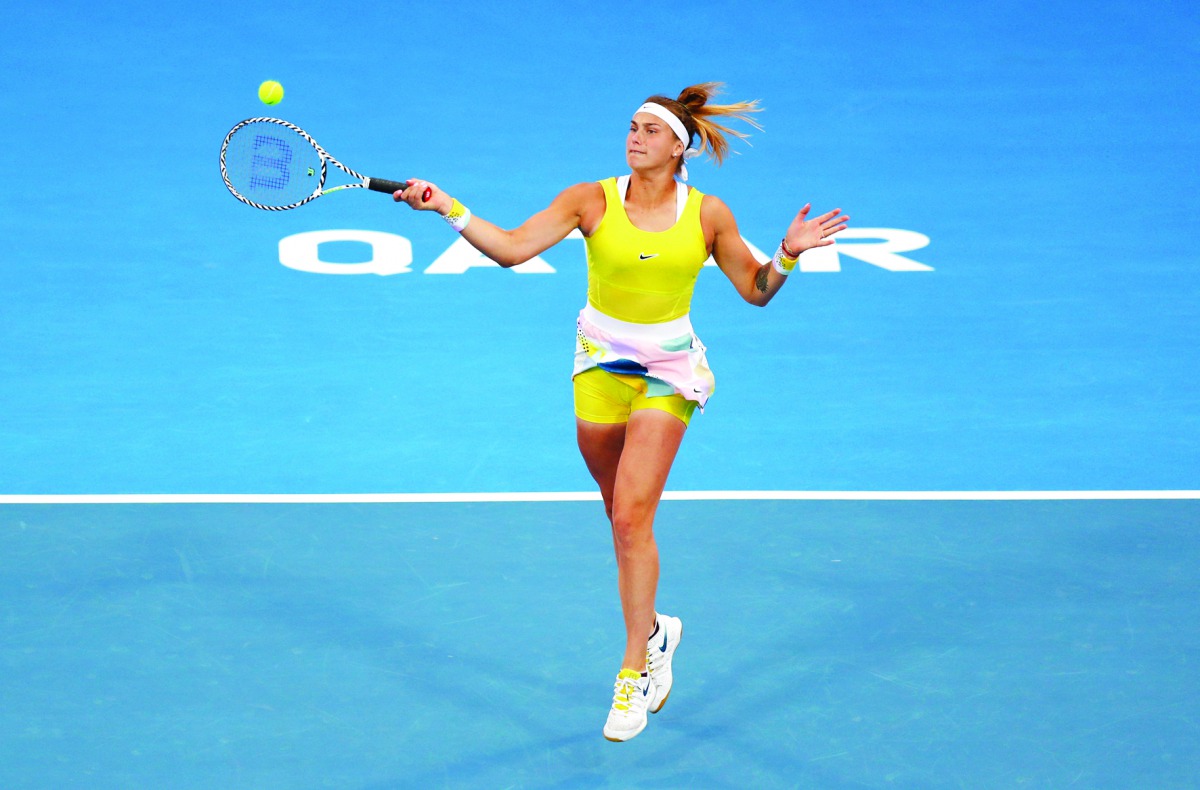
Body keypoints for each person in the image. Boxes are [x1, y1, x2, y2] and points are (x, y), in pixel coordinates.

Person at [394, 83, 848, 742]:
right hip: (600, 368)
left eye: (650, 130)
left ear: (677, 148)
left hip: (668, 374)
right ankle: (659, 630)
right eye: (632, 126)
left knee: (633, 515)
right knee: (619, 516)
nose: (635, 136)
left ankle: (633, 673)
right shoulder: (590, 200)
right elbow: (513, 248)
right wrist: (447, 206)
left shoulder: (708, 215)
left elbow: (755, 292)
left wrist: (787, 254)